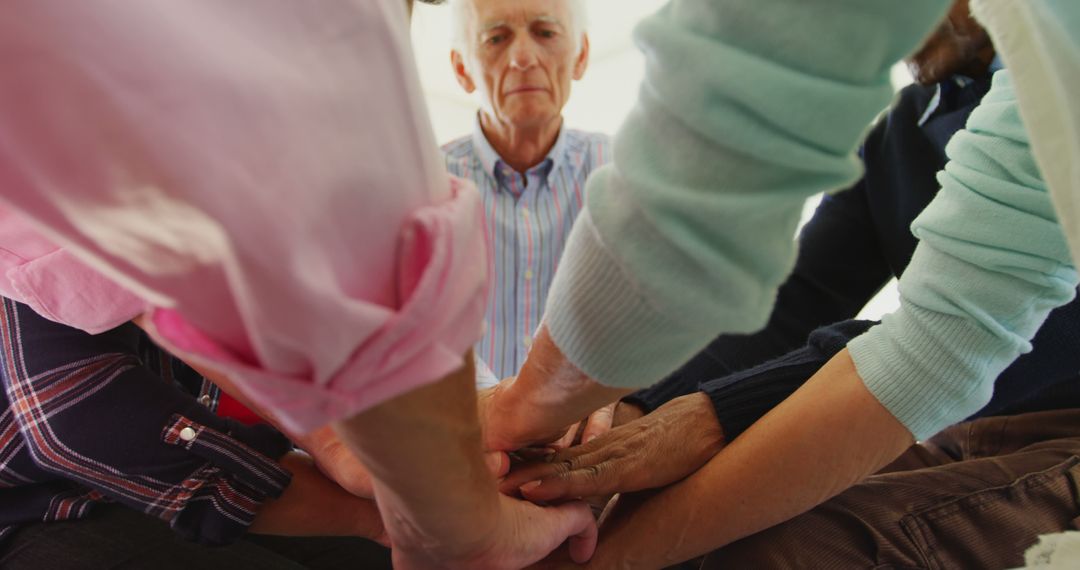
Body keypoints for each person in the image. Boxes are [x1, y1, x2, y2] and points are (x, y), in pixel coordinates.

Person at [476, 0, 1080, 566]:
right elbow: (791, 304)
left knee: (781, 550)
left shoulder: (1052, 91)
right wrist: (629, 408)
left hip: (1058, 427)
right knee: (647, 507)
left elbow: (988, 327)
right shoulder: (900, 132)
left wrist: (716, 414)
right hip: (949, 429)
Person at [0, 1, 597, 568]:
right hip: (41, 506)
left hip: (176, 468)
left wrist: (355, 442)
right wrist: (408, 516)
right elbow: (74, 417)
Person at [442, 0, 610, 381]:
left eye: (546, 33)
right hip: (460, 429)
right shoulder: (423, 185)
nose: (522, 57)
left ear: (581, 55)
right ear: (461, 68)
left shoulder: (624, 174)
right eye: (496, 38)